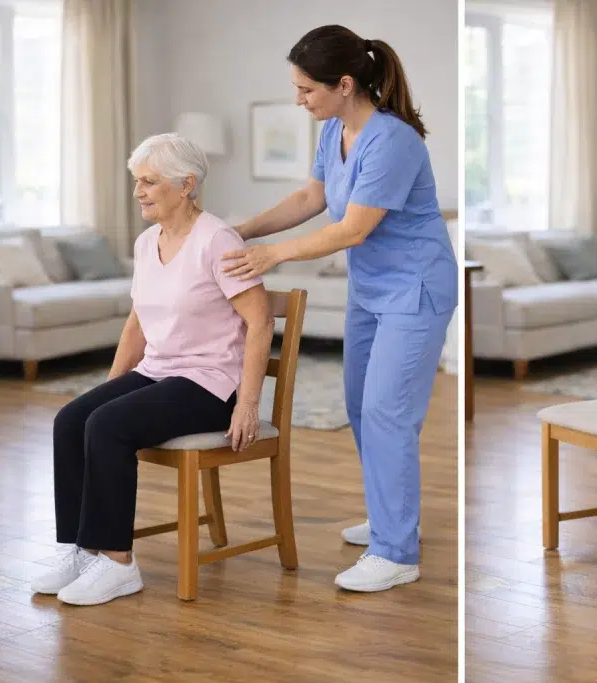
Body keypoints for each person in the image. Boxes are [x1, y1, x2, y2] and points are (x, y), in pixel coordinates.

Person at [221, 25, 457, 592]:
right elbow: (312, 197)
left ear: (344, 84)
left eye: (306, 89)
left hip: (416, 290)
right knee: (359, 406)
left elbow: (353, 229)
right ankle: (390, 517)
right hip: (371, 291)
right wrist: (243, 231)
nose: (299, 100)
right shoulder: (335, 131)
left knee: (386, 412)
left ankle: (396, 552)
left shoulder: (394, 140)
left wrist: (273, 255)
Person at [29, 133, 272, 606]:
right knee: (73, 419)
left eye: (149, 181)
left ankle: (119, 564)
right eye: (136, 181)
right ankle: (82, 549)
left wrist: (247, 404)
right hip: (159, 370)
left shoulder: (217, 240)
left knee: (108, 425)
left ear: (186, 184)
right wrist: (109, 389)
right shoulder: (146, 243)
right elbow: (137, 324)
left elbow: (261, 321)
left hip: (211, 383)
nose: (138, 191)